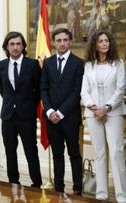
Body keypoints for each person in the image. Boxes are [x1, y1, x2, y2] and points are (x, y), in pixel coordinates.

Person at [80, 31, 126, 202]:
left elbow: (120, 89)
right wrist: (94, 108)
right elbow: (84, 91)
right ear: (95, 44)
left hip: (114, 113)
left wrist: (106, 108)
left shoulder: (118, 64)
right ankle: (101, 194)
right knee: (99, 153)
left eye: (107, 40)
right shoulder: (88, 65)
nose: (104, 43)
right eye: (101, 41)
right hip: (92, 114)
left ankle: (122, 196)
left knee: (116, 153)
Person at [40, 28, 84, 195]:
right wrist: (50, 111)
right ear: (54, 42)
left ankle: (77, 188)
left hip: (70, 117)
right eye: (59, 40)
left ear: (70, 41)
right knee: (57, 154)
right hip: (51, 118)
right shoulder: (48, 63)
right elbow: (43, 88)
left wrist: (61, 112)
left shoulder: (79, 63)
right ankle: (58, 188)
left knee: (74, 153)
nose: (62, 43)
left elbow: (77, 92)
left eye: (65, 40)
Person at [0, 31, 42, 188]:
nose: (15, 47)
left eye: (18, 44)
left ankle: (36, 183)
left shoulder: (33, 65)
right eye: (12, 44)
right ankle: (13, 182)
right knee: (10, 151)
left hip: (26, 116)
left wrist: (27, 106)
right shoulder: (1, 65)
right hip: (8, 116)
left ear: (23, 46)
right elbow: (3, 90)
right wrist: (12, 103)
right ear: (6, 47)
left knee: (31, 151)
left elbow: (39, 91)